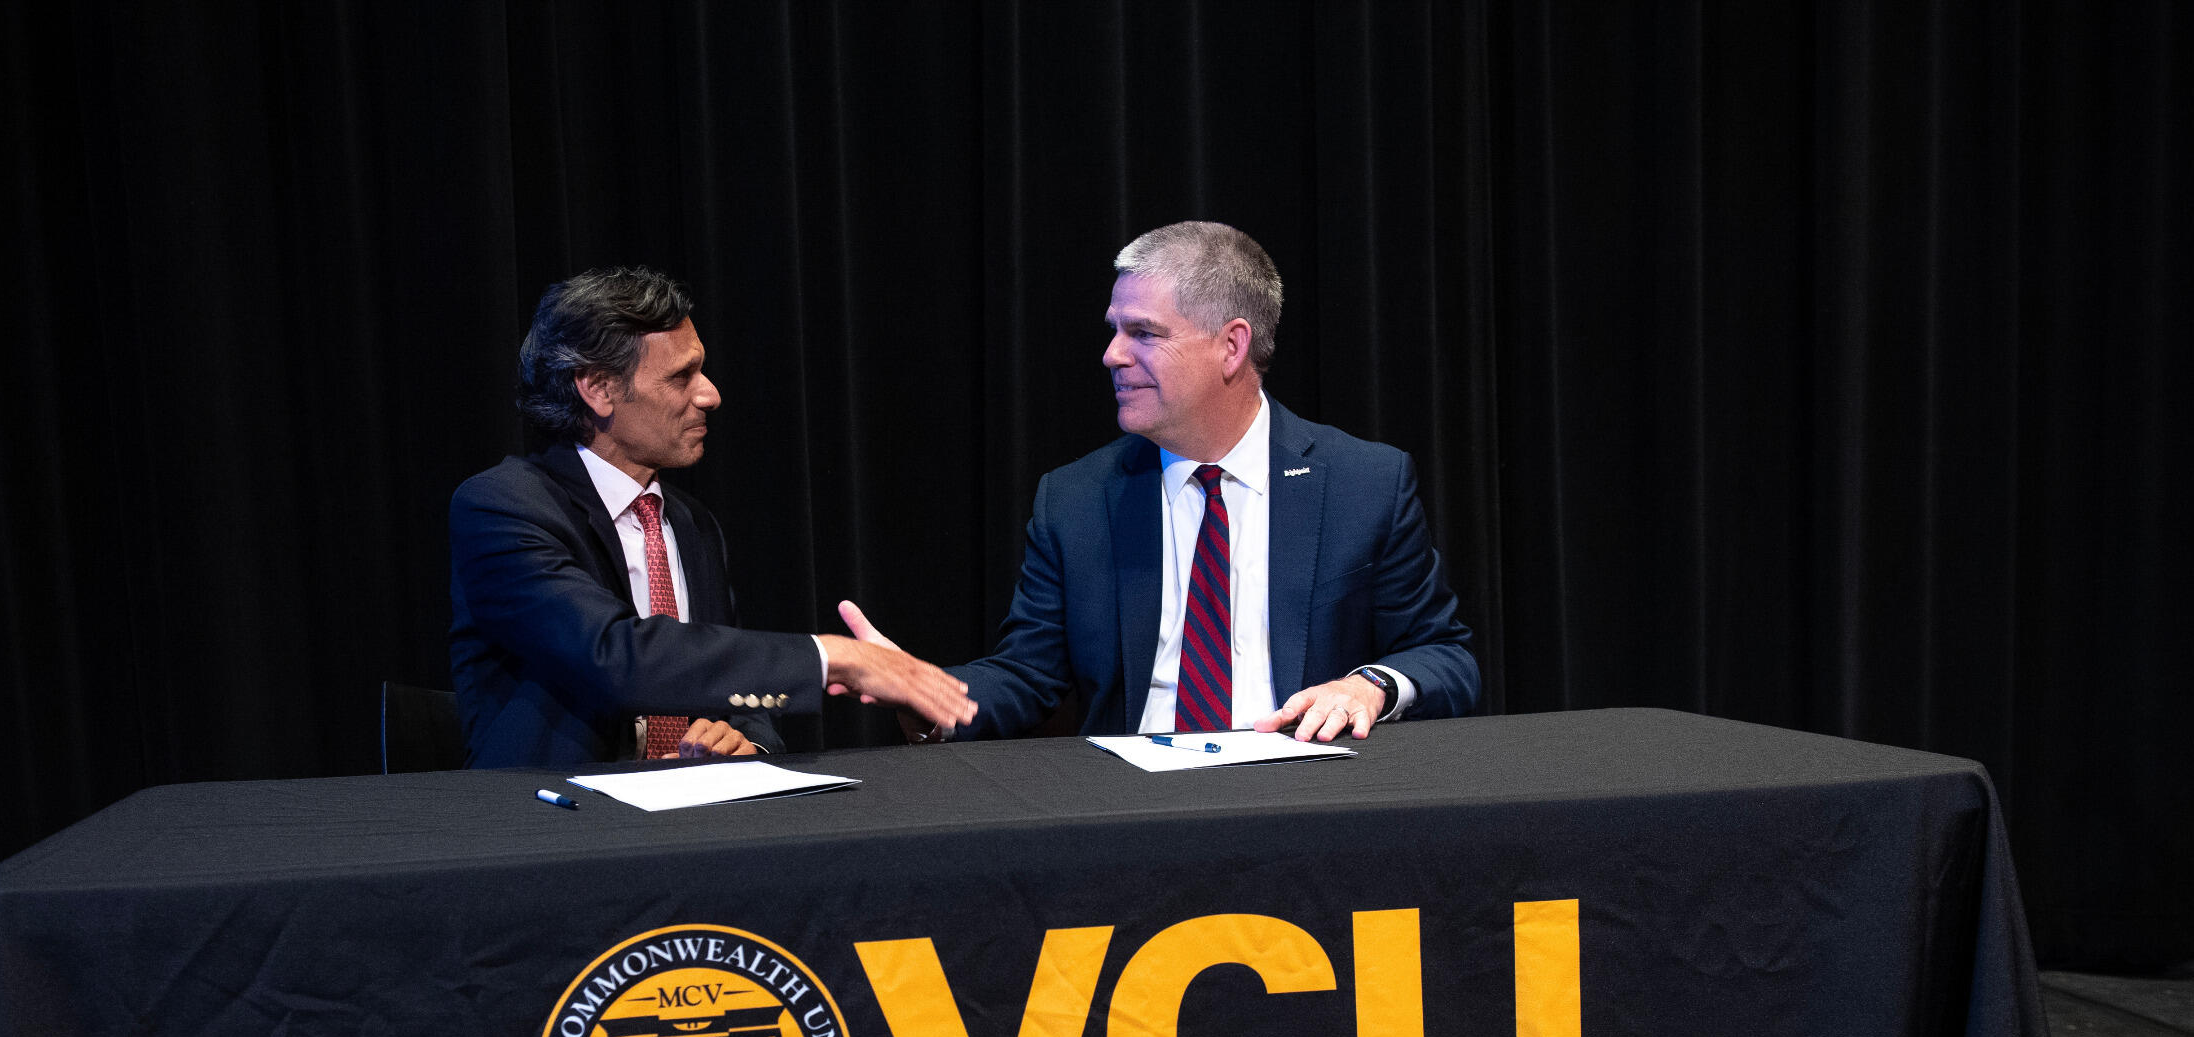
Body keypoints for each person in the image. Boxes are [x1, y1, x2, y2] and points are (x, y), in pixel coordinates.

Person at [843, 221, 1476, 742]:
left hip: (1309, 793)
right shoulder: (1078, 500)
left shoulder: (1362, 482)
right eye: (1114, 329)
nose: (1112, 354)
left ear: (1232, 348)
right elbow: (1026, 676)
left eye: (1143, 333)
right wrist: (921, 687)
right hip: (1136, 809)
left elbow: (1445, 656)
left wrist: (1368, 685)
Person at [451, 267, 974, 768]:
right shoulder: (502, 506)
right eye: (682, 377)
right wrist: (834, 657)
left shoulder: (689, 521)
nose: (710, 394)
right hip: (551, 824)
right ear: (599, 389)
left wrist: (745, 741)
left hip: (687, 822)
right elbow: (613, 656)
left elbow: (731, 693)